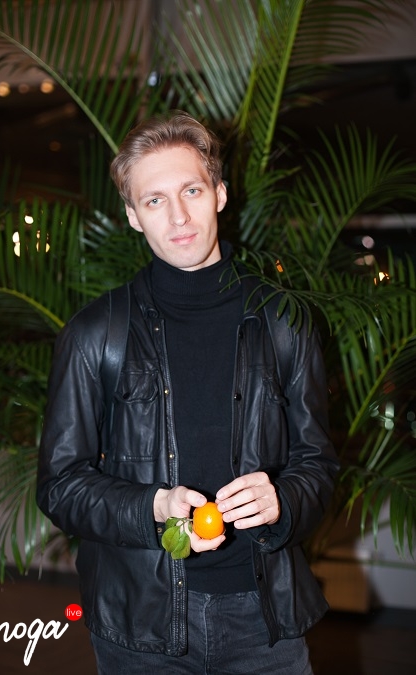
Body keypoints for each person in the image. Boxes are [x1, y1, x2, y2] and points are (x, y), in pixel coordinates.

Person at [37, 111, 339, 674]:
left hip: (264, 622)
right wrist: (152, 507)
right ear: (133, 216)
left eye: (191, 190)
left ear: (219, 193)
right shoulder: (94, 334)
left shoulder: (284, 323)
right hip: (140, 628)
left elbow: (318, 465)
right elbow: (60, 486)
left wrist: (283, 500)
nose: (177, 216)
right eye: (154, 200)